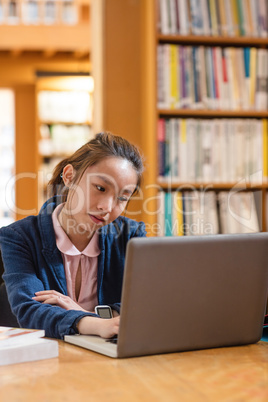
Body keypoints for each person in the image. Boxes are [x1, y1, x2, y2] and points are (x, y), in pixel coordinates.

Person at [0, 132, 146, 339]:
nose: (107, 207)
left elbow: (147, 303)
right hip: (50, 359)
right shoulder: (19, 237)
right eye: (100, 188)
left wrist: (80, 312)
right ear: (69, 176)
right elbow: (29, 310)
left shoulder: (131, 236)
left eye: (122, 198)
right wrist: (98, 324)